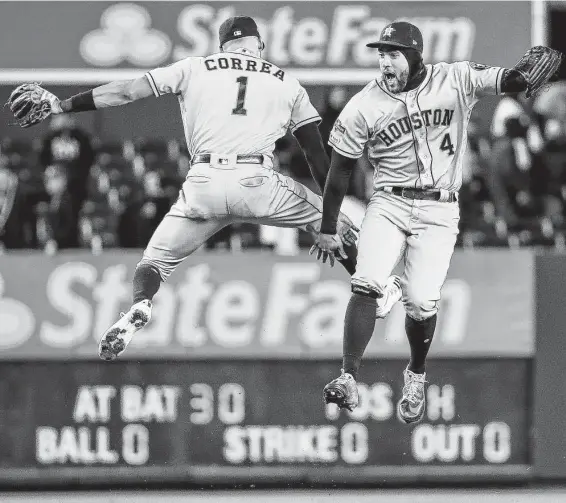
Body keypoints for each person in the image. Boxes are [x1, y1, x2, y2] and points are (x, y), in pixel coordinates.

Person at [8, 16, 401, 360]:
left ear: (224, 47)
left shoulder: (195, 67)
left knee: (153, 264)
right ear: (258, 46)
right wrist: (328, 223)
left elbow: (126, 92)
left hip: (202, 184)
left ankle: (141, 304)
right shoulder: (286, 82)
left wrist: (62, 106)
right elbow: (317, 158)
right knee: (344, 224)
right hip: (257, 182)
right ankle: (378, 294)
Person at [311, 21, 559, 423]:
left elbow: (509, 81)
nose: (385, 62)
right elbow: (339, 171)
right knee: (366, 282)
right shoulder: (364, 104)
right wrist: (326, 227)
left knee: (422, 303)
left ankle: (416, 374)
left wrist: (520, 78)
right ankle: (348, 377)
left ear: (414, 54)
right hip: (389, 202)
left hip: (440, 208)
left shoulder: (455, 78)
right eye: (381, 54)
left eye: (393, 54)